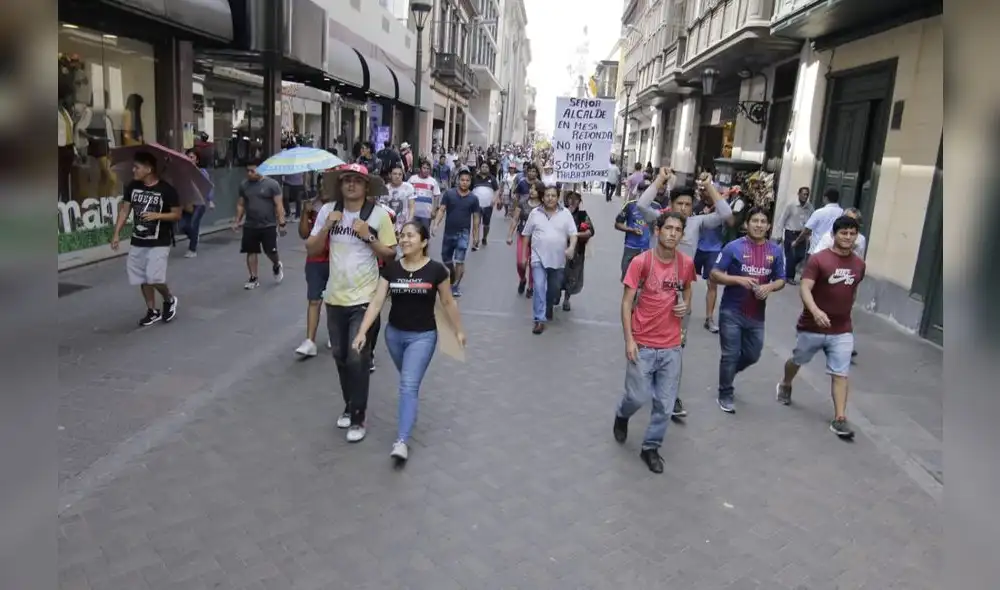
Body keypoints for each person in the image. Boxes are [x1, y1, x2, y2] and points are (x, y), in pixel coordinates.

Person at [352, 221, 467, 462]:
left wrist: (458, 331)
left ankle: (402, 441)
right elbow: (377, 301)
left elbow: (448, 302)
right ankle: (409, 408)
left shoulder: (436, 271)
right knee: (408, 382)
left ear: (424, 242)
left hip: (423, 337)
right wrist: (362, 331)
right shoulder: (392, 269)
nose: (404, 240)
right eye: (402, 235)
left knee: (407, 385)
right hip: (394, 336)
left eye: (410, 236)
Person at [305, 163, 397, 443]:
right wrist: (327, 227)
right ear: (340, 185)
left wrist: (368, 236)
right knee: (340, 357)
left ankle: (358, 416)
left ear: (366, 186)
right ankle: (349, 405)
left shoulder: (379, 215)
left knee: (357, 357)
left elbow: (390, 254)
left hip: (365, 299)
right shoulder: (328, 211)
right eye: (346, 180)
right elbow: (312, 249)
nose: (351, 185)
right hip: (335, 297)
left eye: (357, 180)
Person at [612, 211, 695, 473]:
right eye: (668, 228)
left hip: (671, 347)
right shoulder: (641, 262)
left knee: (665, 405)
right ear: (657, 231)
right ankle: (622, 414)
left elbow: (688, 288)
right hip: (643, 344)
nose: (672, 233)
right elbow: (626, 303)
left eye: (678, 230)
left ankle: (651, 447)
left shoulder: (685, 264)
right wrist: (629, 340)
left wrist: (685, 306)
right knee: (637, 397)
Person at [777, 215, 866, 439]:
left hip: (841, 329)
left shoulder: (859, 264)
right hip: (812, 326)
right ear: (834, 235)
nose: (848, 237)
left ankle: (840, 418)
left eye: (852, 233)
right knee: (797, 360)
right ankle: (786, 383)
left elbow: (853, 291)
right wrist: (816, 312)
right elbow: (805, 288)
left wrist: (846, 312)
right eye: (843, 233)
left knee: (840, 373)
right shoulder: (819, 260)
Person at [710, 207, 786, 414]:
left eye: (763, 221)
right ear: (746, 224)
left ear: (768, 226)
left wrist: (769, 287)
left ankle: (728, 373)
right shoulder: (733, 247)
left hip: (757, 315)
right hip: (731, 311)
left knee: (753, 355)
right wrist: (738, 280)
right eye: (755, 221)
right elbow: (715, 273)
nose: (759, 225)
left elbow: (781, 279)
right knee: (730, 354)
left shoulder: (775, 251)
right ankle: (725, 393)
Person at [111, 150, 182, 326]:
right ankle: (152, 311)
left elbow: (177, 214)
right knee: (141, 277)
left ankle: (169, 299)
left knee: (154, 277)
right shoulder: (133, 186)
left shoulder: (167, 190)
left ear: (148, 169)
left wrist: (157, 216)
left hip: (159, 241)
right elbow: (124, 211)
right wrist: (116, 233)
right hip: (138, 239)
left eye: (137, 167)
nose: (133, 170)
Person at [521, 185, 578, 334]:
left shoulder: (565, 213)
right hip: (538, 256)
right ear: (543, 197)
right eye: (547, 195)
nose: (550, 198)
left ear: (558, 197)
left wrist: (571, 247)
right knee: (539, 286)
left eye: (553, 195)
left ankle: (549, 305)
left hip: (558, 259)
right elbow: (526, 234)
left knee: (554, 289)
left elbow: (573, 234)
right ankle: (539, 320)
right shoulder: (535, 213)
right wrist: (524, 256)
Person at [232, 160, 286, 290]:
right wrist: (237, 221)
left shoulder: (272, 184)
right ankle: (253, 278)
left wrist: (282, 223)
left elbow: (279, 205)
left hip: (268, 224)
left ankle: (276, 264)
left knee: (270, 251)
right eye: (248, 171)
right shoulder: (244, 185)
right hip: (250, 224)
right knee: (251, 251)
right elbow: (241, 204)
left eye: (253, 171)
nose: (249, 174)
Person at [295, 186, 333, 357]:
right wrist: (305, 212)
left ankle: (334, 334)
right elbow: (304, 234)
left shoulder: (340, 207)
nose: (324, 189)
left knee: (334, 301)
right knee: (314, 300)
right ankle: (310, 341)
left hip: (336, 260)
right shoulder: (312, 207)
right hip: (315, 260)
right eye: (321, 184)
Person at [432, 167, 481, 298]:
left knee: (459, 260)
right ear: (458, 180)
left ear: (470, 182)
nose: (464, 182)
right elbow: (442, 210)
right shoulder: (449, 194)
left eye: (467, 180)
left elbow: (476, 219)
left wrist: (476, 236)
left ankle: (455, 286)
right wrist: (435, 224)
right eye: (462, 180)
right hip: (449, 232)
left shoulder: (473, 199)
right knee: (446, 259)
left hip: (463, 234)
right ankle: (453, 273)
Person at [507, 180, 544, 297]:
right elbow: (515, 219)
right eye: (531, 188)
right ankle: (522, 279)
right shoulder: (523, 202)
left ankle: (531, 287)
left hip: (537, 239)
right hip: (523, 236)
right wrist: (510, 235)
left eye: (535, 189)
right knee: (520, 263)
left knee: (534, 264)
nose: (532, 191)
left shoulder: (543, 206)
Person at [559, 191, 594, 311]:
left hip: (576, 250)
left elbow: (590, 231)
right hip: (559, 248)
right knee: (558, 272)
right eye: (570, 198)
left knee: (572, 275)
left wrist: (575, 234)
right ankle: (556, 293)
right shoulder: (560, 212)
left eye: (576, 199)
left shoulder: (582, 215)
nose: (573, 201)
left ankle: (567, 298)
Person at [774, 186, 815, 284]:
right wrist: (779, 235)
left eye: (807, 194)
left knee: (800, 255)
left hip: (802, 234)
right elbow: (782, 220)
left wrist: (810, 234)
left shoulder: (810, 207)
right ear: (799, 194)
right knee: (791, 255)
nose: (805, 196)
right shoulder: (791, 205)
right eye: (804, 194)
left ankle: (787, 268)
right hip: (790, 233)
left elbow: (813, 219)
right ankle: (789, 277)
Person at [179, 148, 214, 258]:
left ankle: (192, 249)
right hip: (187, 202)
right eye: (188, 157)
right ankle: (194, 236)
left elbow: (208, 187)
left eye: (192, 157)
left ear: (197, 160)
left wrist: (210, 200)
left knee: (193, 224)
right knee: (182, 226)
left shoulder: (202, 172)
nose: (190, 159)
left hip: (200, 202)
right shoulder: (183, 172)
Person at [792, 187, 843, 262]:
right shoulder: (842, 213)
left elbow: (807, 230)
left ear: (825, 198)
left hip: (817, 251)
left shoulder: (819, 212)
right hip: (835, 252)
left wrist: (796, 242)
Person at [380, 163, 416, 239]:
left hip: (404, 224)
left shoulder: (408, 187)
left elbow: (412, 207)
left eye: (400, 174)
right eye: (395, 174)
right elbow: (382, 208)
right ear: (390, 175)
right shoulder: (385, 189)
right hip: (389, 225)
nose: (397, 176)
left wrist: (409, 222)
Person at [471, 161, 500, 249]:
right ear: (480, 168)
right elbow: (469, 190)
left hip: (488, 206)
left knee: (486, 224)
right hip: (476, 206)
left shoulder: (492, 178)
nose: (484, 168)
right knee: (476, 223)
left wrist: (494, 199)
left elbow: (497, 190)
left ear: (489, 168)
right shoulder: (475, 178)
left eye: (486, 167)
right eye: (483, 166)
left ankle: (484, 237)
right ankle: (475, 240)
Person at [408, 158, 442, 229]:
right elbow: (406, 193)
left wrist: (434, 211)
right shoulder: (412, 179)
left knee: (425, 233)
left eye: (428, 168)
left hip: (426, 214)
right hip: (412, 213)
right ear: (420, 168)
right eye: (424, 168)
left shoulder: (433, 181)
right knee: (412, 232)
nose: (426, 170)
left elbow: (437, 196)